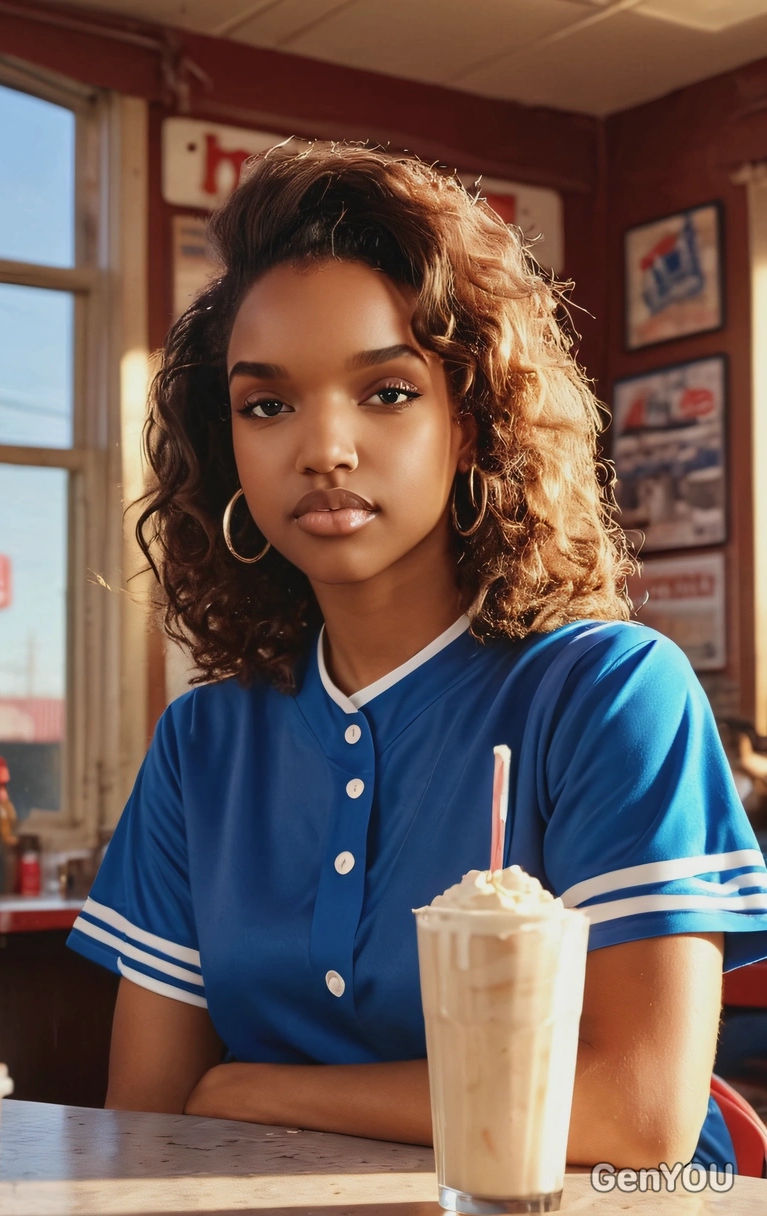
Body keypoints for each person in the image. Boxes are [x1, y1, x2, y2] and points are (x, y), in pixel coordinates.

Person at [67, 143, 767, 1170]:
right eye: (267, 404)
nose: (324, 447)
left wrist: (252, 1086)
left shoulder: (611, 694)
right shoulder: (202, 742)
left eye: (386, 392)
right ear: (228, 453)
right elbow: (147, 1121)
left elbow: (631, 1110)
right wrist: (229, 1102)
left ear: (472, 424)